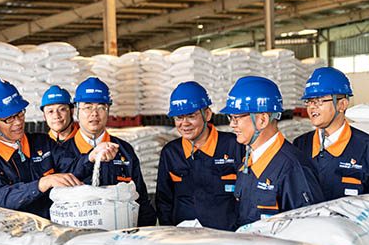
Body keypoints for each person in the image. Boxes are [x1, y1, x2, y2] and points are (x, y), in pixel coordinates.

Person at [0, 78, 117, 219]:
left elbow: (71, 167)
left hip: (52, 227)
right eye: (9, 119)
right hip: (13, 232)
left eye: (20, 114)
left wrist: (91, 157)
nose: (18, 122)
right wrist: (42, 183)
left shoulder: (42, 143)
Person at [219, 76, 324, 229]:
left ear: (262, 120)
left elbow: (309, 229)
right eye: (230, 118)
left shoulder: (293, 168)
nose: (231, 125)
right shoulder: (247, 164)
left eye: (236, 118)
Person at [59, 77, 156, 226]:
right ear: (76, 110)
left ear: (108, 110)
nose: (94, 114)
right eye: (88, 107)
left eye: (101, 107)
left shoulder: (124, 150)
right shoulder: (62, 151)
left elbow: (140, 198)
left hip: (119, 234)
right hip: (78, 236)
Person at [293, 67, 369, 199]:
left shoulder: (368, 148)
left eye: (319, 100)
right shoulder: (300, 145)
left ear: (342, 104)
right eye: (309, 101)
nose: (312, 107)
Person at [156, 81, 244, 230]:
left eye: (191, 116)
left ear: (207, 114)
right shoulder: (171, 153)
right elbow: (164, 202)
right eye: (178, 118)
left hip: (228, 237)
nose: (184, 124)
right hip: (185, 238)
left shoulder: (234, 146)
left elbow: (247, 197)